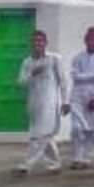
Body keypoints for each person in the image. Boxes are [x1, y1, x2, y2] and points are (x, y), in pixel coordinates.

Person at [13, 30, 69, 176]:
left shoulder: (54, 59)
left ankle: (26, 165)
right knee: (46, 135)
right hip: (34, 104)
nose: (38, 43)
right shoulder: (27, 62)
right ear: (31, 43)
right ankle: (55, 164)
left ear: (45, 42)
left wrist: (66, 101)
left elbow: (63, 82)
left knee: (38, 136)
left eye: (40, 41)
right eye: (35, 41)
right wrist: (32, 74)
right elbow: (20, 82)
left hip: (50, 104)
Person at [66, 26, 94, 170]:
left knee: (91, 130)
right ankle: (76, 158)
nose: (91, 42)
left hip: (93, 96)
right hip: (77, 96)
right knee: (76, 128)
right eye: (89, 39)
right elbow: (75, 77)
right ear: (85, 40)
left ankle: (87, 158)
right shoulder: (77, 58)